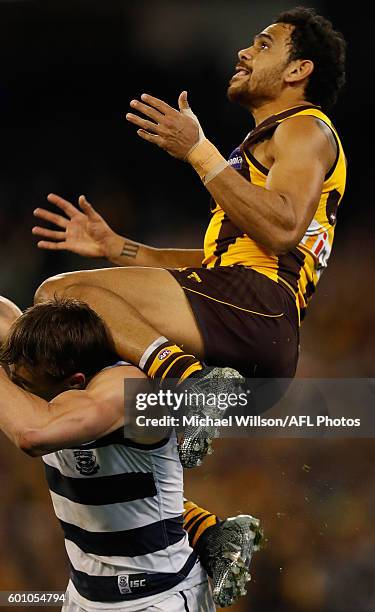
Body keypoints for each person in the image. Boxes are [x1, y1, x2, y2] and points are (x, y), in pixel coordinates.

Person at [32, 7, 347, 466]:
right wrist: (115, 247)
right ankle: (201, 525)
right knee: (101, 391)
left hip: (256, 308)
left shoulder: (304, 127)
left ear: (299, 70)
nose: (244, 52)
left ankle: (188, 382)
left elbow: (282, 228)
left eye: (263, 45)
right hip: (258, 334)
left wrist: (199, 151)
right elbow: (216, 260)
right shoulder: (272, 144)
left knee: (63, 295)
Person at [0, 297, 262, 610]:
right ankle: (206, 529)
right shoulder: (45, 356)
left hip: (159, 599)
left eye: (25, 386)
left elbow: (33, 433)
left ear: (75, 383)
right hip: (84, 598)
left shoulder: (129, 390)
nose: (19, 393)